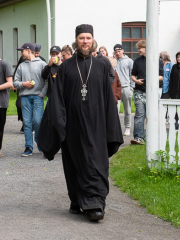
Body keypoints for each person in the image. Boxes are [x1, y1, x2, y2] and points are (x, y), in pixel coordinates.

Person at [37, 24, 123, 222]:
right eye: (82, 38)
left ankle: (95, 203)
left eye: (88, 38)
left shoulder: (102, 66)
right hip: (73, 125)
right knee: (74, 163)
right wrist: (59, 123)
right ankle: (76, 200)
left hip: (97, 125)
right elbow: (57, 98)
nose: (85, 41)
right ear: (76, 41)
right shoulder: (66, 67)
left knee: (96, 163)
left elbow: (108, 99)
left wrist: (111, 126)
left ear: (93, 40)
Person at [13, 43, 48, 157]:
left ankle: (39, 141)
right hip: (25, 97)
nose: (21, 53)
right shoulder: (21, 66)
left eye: (22, 51)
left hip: (38, 97)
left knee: (38, 121)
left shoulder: (42, 64)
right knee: (27, 123)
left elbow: (48, 81)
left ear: (28, 51)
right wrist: (24, 84)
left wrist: (42, 94)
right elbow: (15, 82)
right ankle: (28, 146)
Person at [130, 39, 164, 145]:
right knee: (140, 114)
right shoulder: (137, 61)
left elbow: (161, 77)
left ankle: (152, 136)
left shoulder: (157, 60)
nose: (138, 50)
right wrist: (136, 81)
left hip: (153, 91)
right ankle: (138, 137)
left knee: (152, 114)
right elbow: (132, 75)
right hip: (139, 91)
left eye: (140, 48)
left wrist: (150, 79)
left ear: (146, 48)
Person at [113, 44, 134, 136]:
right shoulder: (114, 61)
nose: (118, 53)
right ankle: (115, 128)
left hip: (126, 87)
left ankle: (127, 127)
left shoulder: (129, 61)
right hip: (116, 88)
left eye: (119, 51)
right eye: (116, 52)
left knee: (127, 109)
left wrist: (132, 88)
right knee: (114, 109)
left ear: (123, 50)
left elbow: (133, 75)